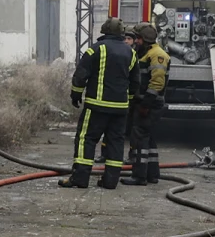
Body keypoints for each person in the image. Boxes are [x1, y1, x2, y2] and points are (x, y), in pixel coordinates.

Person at [59, 17, 139, 189]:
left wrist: (76, 95)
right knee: (116, 143)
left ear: (104, 31)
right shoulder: (131, 53)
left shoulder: (95, 49)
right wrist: (129, 102)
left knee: (86, 139)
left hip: (96, 106)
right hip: (120, 109)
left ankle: (80, 178)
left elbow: (81, 75)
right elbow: (135, 82)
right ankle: (110, 181)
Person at [121, 22, 170, 186]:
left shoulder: (157, 55)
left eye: (138, 38)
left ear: (145, 39)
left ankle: (139, 176)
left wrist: (145, 104)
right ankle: (152, 174)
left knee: (139, 139)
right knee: (149, 139)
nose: (136, 41)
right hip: (145, 103)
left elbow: (157, 83)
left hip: (150, 104)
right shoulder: (147, 53)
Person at [96, 27, 139, 164]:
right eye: (125, 38)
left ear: (134, 41)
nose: (126, 41)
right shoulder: (119, 53)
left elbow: (136, 80)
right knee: (110, 131)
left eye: (129, 39)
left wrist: (133, 99)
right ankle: (105, 154)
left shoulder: (134, 55)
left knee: (128, 131)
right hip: (119, 100)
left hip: (129, 100)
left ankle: (131, 156)